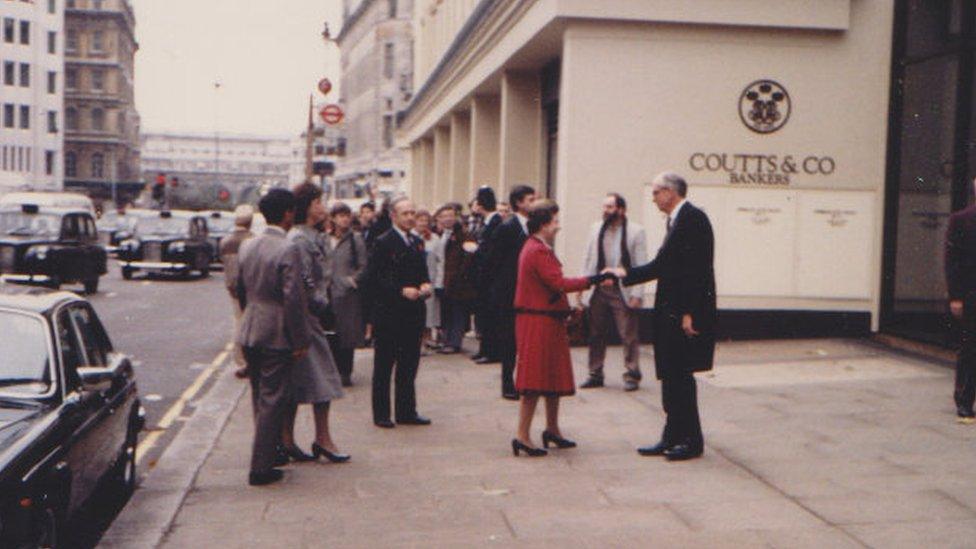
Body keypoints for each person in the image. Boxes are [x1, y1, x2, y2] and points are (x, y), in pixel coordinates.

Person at [605, 172, 716, 461]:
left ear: (670, 192)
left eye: (656, 192)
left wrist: (690, 313)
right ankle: (672, 436)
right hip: (670, 310)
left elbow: (698, 270)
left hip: (682, 312)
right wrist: (624, 273)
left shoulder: (693, 219)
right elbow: (664, 265)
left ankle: (691, 441)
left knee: (680, 376)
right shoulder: (676, 220)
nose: (653, 198)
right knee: (669, 374)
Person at [511, 200, 608, 457]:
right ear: (543, 224)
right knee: (533, 380)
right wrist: (595, 279)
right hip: (538, 322)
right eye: (555, 221)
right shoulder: (538, 251)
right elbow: (558, 282)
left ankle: (551, 429)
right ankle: (522, 435)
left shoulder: (536, 247)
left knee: (551, 376)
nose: (558, 226)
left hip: (546, 320)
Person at [236, 189, 310, 486]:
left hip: (251, 327)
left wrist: (250, 317)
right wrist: (300, 339)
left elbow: (240, 290)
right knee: (272, 399)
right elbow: (293, 298)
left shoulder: (247, 246)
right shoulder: (287, 248)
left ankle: (268, 453)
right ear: (289, 213)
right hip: (277, 331)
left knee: (259, 396)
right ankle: (261, 467)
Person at [279, 183, 349, 464]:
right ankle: (312, 439)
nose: (323, 208)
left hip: (313, 316)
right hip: (306, 318)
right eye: (318, 202)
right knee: (320, 380)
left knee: (311, 382)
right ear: (306, 207)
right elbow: (304, 280)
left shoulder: (315, 236)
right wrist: (320, 303)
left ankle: (307, 439)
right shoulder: (299, 239)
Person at [363, 197, 434, 428]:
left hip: (413, 312)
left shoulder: (416, 241)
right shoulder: (383, 241)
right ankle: (381, 413)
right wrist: (400, 290)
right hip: (389, 313)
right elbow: (374, 277)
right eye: (405, 213)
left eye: (413, 213)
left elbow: (422, 272)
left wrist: (425, 285)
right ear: (394, 216)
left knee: (409, 363)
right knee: (384, 365)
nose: (411, 217)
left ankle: (406, 410)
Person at [580, 193, 648, 391]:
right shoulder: (595, 228)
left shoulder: (636, 231)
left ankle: (632, 374)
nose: (605, 210)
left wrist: (638, 294)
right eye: (604, 206)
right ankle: (595, 373)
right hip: (599, 289)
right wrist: (583, 284)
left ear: (621, 210)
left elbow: (640, 264)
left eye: (609, 207)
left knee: (628, 334)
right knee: (595, 333)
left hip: (622, 289)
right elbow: (588, 257)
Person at [487, 185, 536, 400]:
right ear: (518, 203)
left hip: (528, 291)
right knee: (509, 340)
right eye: (530, 199)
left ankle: (525, 380)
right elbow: (493, 260)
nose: (534, 203)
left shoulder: (534, 226)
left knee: (525, 339)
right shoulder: (508, 227)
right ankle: (508, 383)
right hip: (508, 291)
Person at [328, 202, 368, 387]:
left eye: (347, 215)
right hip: (328, 293)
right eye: (340, 215)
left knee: (347, 335)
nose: (344, 219)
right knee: (330, 334)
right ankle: (331, 371)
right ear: (333, 218)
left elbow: (363, 265)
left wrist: (352, 280)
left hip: (348, 295)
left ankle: (345, 372)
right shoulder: (324, 238)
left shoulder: (355, 239)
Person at [945, 181, 976, 424]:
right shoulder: (961, 219)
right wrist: (955, 296)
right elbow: (952, 260)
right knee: (970, 348)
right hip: (971, 293)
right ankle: (964, 401)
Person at [437, 205, 478, 354]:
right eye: (444, 216)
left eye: (450, 215)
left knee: (457, 312)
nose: (447, 218)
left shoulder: (464, 235)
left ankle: (454, 342)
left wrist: (460, 275)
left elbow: (469, 258)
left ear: (456, 217)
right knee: (446, 311)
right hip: (442, 279)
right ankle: (446, 339)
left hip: (458, 281)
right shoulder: (439, 233)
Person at [219, 205, 254, 379]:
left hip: (233, 289)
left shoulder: (225, 242)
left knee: (238, 324)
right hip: (252, 289)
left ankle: (241, 362)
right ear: (250, 221)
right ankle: (250, 362)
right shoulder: (253, 240)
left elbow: (227, 268)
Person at [471, 186, 501, 364]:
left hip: (491, 278)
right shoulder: (488, 222)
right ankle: (484, 349)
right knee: (482, 315)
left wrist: (477, 250)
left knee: (489, 317)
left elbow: (492, 250)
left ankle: (491, 351)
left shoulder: (495, 222)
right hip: (484, 278)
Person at [414, 209, 442, 352]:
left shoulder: (435, 239)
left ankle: (425, 342)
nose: (423, 223)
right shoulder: (411, 237)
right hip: (414, 281)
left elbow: (440, 260)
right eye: (420, 220)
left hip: (429, 279)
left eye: (426, 220)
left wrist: (438, 281)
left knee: (428, 314)